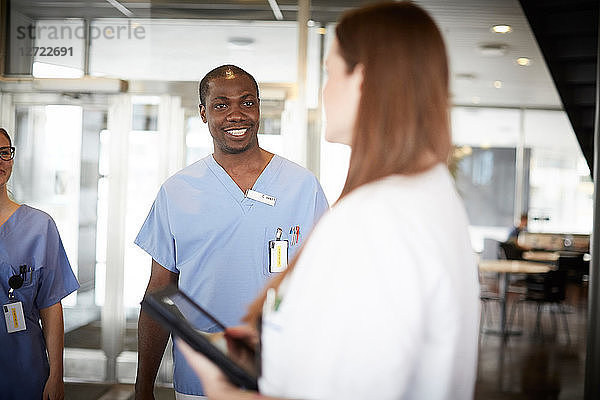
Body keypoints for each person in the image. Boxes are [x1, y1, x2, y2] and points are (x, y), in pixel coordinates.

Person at [177, 2, 480, 399]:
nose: (324, 90)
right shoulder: (431, 195)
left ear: (362, 79)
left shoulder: (375, 218)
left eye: (330, 72)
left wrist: (225, 390)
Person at [134, 65, 329, 399]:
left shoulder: (302, 186)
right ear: (203, 113)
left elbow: (326, 284)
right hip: (201, 377)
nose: (236, 115)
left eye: (247, 102)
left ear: (259, 108)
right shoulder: (177, 191)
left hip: (283, 376)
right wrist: (143, 385)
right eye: (221, 105)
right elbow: (159, 292)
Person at [0, 128, 80, 400]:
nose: (0, 161)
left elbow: (50, 304)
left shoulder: (39, 226)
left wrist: (56, 375)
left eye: (4, 153)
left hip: (25, 367)